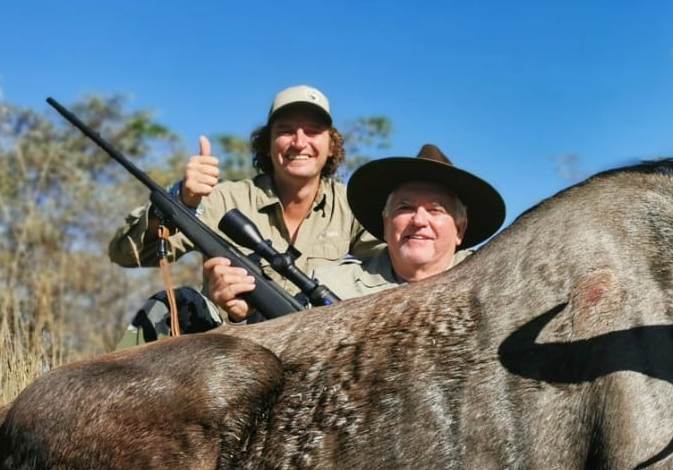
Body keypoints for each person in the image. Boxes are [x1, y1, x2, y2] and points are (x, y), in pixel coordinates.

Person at [110, 84, 380, 344]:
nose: (299, 142)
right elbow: (126, 253)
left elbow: (403, 266)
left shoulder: (350, 204)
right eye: (286, 131)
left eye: (312, 132)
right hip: (230, 347)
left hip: (319, 346)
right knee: (171, 307)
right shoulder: (222, 199)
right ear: (267, 144)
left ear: (331, 145)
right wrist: (180, 199)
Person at [212, 143, 505, 319]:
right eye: (404, 207)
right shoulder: (328, 283)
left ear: (460, 229)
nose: (419, 219)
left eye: (436, 210)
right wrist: (240, 316)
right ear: (386, 221)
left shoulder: (497, 285)